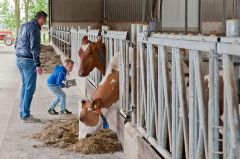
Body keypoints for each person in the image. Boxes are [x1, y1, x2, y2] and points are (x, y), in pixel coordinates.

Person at [16, 11, 47, 123]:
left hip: (19, 59)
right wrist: (37, 64)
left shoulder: (23, 26)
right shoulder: (34, 28)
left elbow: (16, 43)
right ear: (41, 19)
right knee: (30, 88)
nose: (44, 23)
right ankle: (26, 115)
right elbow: (34, 47)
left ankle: (22, 113)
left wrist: (19, 54)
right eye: (44, 21)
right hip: (29, 61)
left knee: (25, 87)